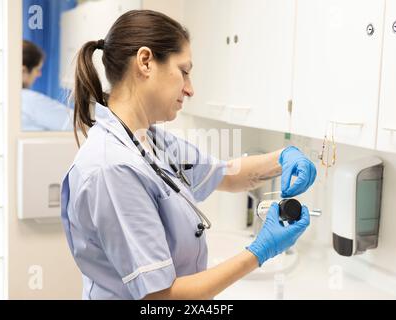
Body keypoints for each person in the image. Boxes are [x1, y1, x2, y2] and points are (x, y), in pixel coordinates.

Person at [60, 10, 317, 300]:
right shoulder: (111, 168)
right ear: (145, 62)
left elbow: (227, 174)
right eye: (184, 71)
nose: (190, 89)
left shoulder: (149, 140)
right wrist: (260, 251)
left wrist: (284, 158)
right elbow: (160, 298)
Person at [22, 40, 73, 131]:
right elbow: (75, 123)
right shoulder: (28, 99)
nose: (39, 74)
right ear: (24, 70)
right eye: (37, 69)